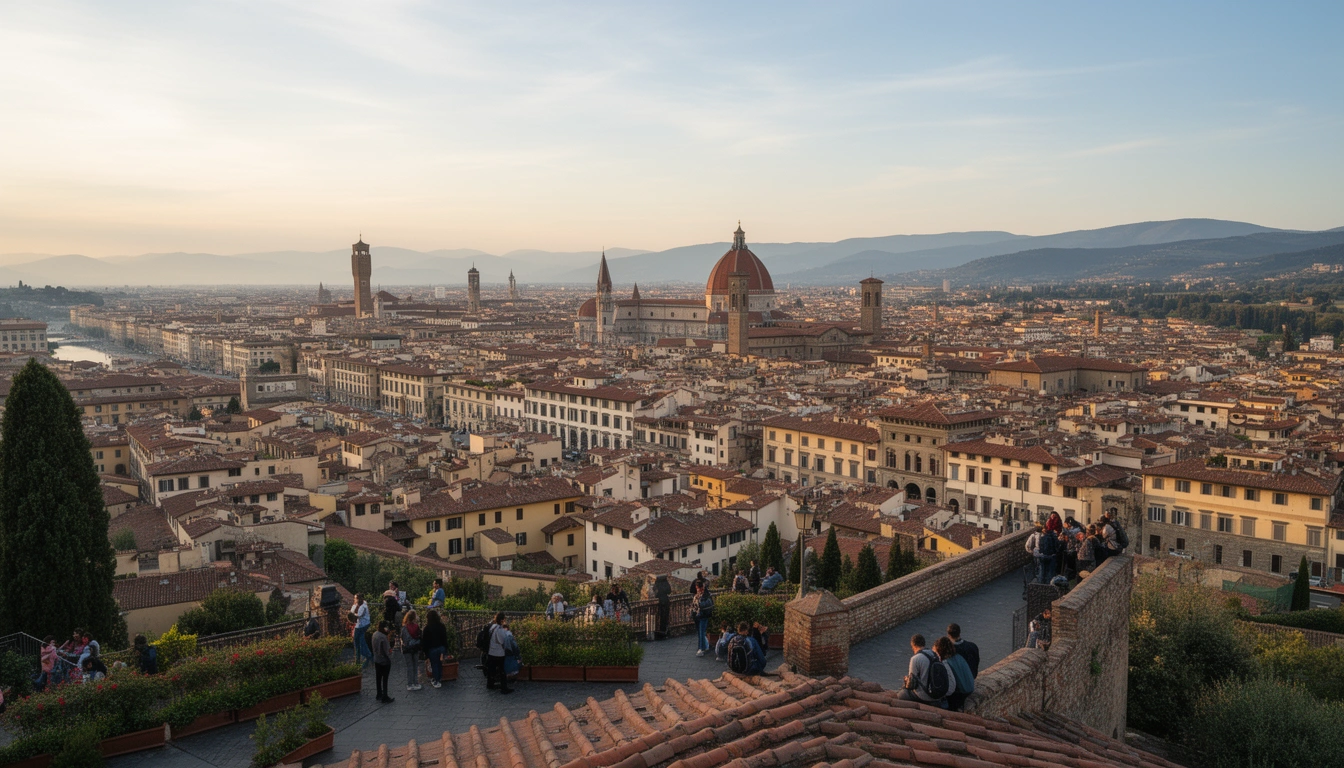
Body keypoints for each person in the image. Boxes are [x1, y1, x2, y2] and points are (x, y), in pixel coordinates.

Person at [896, 634, 953, 707]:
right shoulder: (935, 654)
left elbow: (912, 684)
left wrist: (906, 680)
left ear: (913, 645)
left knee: (902, 694)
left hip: (924, 696)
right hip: (937, 695)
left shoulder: (915, 659)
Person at [938, 637, 974, 712]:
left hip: (960, 694)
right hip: (969, 688)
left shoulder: (946, 662)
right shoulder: (958, 656)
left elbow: (951, 686)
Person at [485, 612, 515, 694]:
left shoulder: (493, 627)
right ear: (502, 620)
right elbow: (502, 641)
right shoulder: (500, 630)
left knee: (491, 669)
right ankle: (504, 688)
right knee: (502, 670)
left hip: (491, 651)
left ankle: (490, 684)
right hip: (499, 653)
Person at [421, 609, 449, 689]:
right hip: (441, 648)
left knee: (434, 664)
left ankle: (436, 680)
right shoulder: (442, 626)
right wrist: (445, 648)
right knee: (440, 663)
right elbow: (445, 638)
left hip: (432, 649)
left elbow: (425, 641)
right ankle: (439, 678)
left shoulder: (427, 628)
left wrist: (425, 653)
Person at [372, 620, 394, 703]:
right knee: (385, 679)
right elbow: (387, 651)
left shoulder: (375, 634)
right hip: (384, 661)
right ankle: (385, 696)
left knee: (378, 677)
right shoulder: (383, 637)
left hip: (377, 659)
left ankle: (379, 694)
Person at [400, 610, 422, 692]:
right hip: (415, 648)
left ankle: (410, 684)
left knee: (409, 666)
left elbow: (402, 638)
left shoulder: (404, 628)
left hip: (407, 649)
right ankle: (416, 682)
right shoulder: (417, 626)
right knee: (415, 665)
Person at [692, 583, 714, 657]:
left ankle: (701, 648)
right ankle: (704, 647)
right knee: (701, 632)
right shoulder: (705, 595)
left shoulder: (703, 596)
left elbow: (698, 605)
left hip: (703, 615)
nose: (699, 590)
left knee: (701, 632)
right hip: (700, 615)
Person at [351, 594, 373, 667]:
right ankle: (359, 659)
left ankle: (367, 656)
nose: (356, 600)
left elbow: (359, 615)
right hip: (359, 625)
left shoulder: (363, 606)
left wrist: (353, 614)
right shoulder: (357, 605)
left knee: (360, 642)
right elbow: (352, 612)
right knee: (358, 642)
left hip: (362, 625)